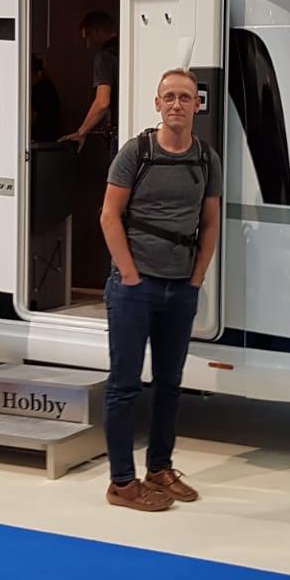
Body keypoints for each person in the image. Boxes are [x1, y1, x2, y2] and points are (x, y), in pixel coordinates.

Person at [98, 68, 222, 511]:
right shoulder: (136, 153)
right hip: (134, 289)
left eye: (185, 97)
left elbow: (211, 222)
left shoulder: (206, 158)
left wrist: (197, 277)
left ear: (197, 105)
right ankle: (121, 483)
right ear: (157, 104)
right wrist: (130, 274)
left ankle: (159, 469)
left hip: (180, 289)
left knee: (170, 385)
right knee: (124, 386)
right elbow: (109, 216)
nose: (176, 104)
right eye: (168, 97)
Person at [59, 11, 118, 157]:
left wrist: (81, 132)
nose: (87, 44)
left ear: (97, 31)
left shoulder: (104, 57)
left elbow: (102, 102)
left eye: (88, 37)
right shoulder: (127, 49)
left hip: (117, 133)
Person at [30, 54, 61, 143]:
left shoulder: (42, 89)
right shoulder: (47, 87)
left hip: (41, 139)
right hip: (47, 138)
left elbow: (31, 117)